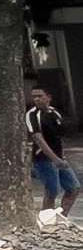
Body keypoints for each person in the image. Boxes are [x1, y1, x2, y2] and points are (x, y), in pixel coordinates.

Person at [27, 85, 78, 219]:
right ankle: (46, 220)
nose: (37, 99)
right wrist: (54, 159)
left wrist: (61, 156)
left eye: (40, 96)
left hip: (59, 158)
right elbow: (38, 138)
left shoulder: (55, 113)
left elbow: (59, 136)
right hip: (44, 159)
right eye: (34, 97)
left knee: (73, 188)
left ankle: (62, 217)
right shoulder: (32, 114)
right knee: (52, 192)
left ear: (48, 97)